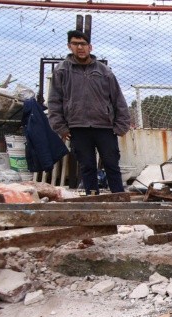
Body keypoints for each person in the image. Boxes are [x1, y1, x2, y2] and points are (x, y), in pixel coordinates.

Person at [48, 30, 131, 195]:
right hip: (77, 127)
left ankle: (119, 198)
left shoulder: (104, 71)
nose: (80, 47)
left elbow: (118, 99)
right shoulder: (62, 71)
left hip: (105, 127)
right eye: (75, 44)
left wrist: (121, 126)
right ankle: (93, 198)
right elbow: (54, 101)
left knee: (112, 164)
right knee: (87, 166)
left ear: (90, 47)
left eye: (83, 44)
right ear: (69, 46)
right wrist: (60, 127)